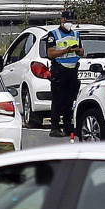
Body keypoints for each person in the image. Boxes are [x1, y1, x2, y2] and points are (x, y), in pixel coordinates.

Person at [44, 10, 84, 138]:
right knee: (57, 100)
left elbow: (82, 51)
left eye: (71, 21)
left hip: (72, 71)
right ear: (62, 20)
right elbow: (50, 53)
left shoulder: (76, 34)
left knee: (69, 100)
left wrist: (77, 50)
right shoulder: (53, 34)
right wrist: (65, 50)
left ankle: (67, 126)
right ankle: (55, 127)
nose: (69, 24)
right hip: (59, 70)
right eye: (67, 21)